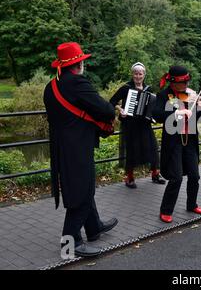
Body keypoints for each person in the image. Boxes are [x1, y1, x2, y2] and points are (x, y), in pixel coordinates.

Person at [44, 42, 118, 257]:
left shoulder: (51, 86)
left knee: (82, 188)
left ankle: (93, 227)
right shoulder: (77, 83)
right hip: (77, 148)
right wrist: (112, 110)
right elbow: (105, 110)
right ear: (79, 64)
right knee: (81, 193)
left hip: (61, 147)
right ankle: (71, 243)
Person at [153, 66, 201, 223]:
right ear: (173, 83)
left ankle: (192, 204)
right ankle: (165, 210)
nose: (187, 86)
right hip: (174, 142)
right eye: (184, 83)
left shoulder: (189, 96)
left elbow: (199, 116)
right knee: (176, 178)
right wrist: (177, 112)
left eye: (188, 82)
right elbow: (157, 115)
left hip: (190, 141)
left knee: (195, 175)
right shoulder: (163, 95)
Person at [110, 62, 166, 188]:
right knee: (132, 150)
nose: (138, 76)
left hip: (145, 124)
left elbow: (152, 107)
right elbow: (112, 101)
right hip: (130, 124)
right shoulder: (126, 88)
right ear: (132, 74)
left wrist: (153, 117)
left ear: (144, 75)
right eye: (135, 73)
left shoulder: (149, 89)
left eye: (140, 74)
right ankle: (129, 178)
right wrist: (121, 109)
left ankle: (155, 174)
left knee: (153, 148)